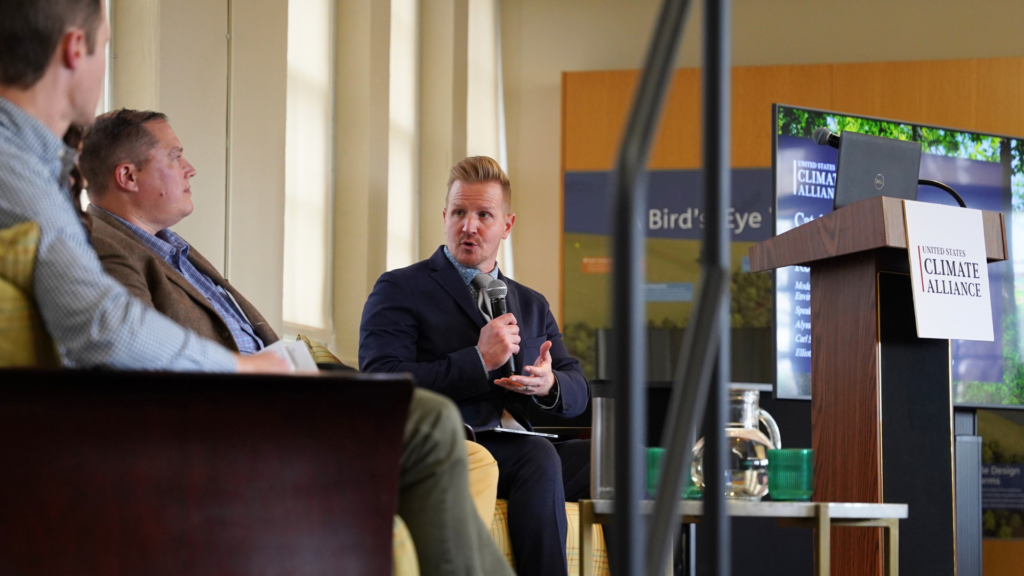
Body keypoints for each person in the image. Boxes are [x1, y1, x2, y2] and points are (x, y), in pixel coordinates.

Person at [78, 109, 512, 576]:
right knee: (433, 421)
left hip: (285, 388)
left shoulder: (170, 247)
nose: (190, 168)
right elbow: (140, 358)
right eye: (176, 156)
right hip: (241, 413)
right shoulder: (105, 244)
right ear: (127, 175)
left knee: (469, 454)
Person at [0, 0, 286, 373]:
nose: (190, 170)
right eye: (103, 45)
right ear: (74, 50)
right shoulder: (16, 170)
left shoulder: (36, 166)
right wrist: (244, 369)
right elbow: (100, 326)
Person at [360, 156, 592, 576]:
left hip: (521, 440)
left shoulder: (531, 303)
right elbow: (379, 382)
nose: (469, 226)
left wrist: (549, 383)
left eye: (484, 214)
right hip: (458, 444)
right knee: (538, 457)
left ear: (507, 224)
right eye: (459, 213)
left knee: (621, 464)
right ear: (444, 216)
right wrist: (477, 361)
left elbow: (578, 389)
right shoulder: (401, 287)